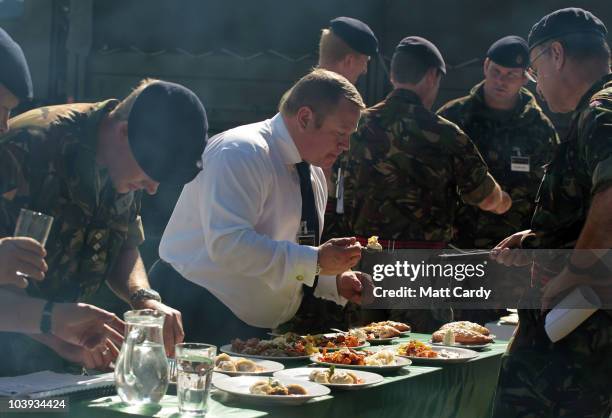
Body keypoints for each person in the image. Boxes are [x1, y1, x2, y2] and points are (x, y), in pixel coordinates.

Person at [0, 78, 208, 375]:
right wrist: (53, 329)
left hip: (66, 349)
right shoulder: (28, 145)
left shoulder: (126, 158)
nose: (151, 189)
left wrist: (142, 297)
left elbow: (124, 243)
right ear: (123, 133)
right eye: (150, 173)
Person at [157, 69, 368, 346]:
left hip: (250, 328)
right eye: (340, 133)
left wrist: (331, 280)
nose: (346, 145)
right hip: (195, 315)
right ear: (305, 118)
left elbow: (288, 251)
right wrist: (316, 261)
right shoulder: (240, 151)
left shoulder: (313, 171)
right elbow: (229, 245)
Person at [340, 37, 512, 332]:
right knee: (421, 360)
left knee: (362, 358)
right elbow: (486, 197)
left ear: (394, 75)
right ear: (432, 75)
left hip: (360, 268)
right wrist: (505, 201)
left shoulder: (354, 126)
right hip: (420, 273)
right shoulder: (445, 133)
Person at [491, 8, 612, 417]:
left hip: (574, 341)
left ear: (556, 54)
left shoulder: (601, 111)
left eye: (535, 67)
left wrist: (577, 269)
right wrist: (541, 240)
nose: (535, 83)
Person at [437, 35, 558, 324]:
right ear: (486, 66)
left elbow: (553, 197)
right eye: (496, 72)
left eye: (511, 75)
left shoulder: (539, 129)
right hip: (457, 254)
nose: (501, 81)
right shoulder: (453, 117)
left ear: (525, 78)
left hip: (512, 261)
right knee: (451, 337)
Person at [317, 16, 378, 85]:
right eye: (365, 61)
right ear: (349, 61)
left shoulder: (304, 89)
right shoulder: (339, 95)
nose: (365, 70)